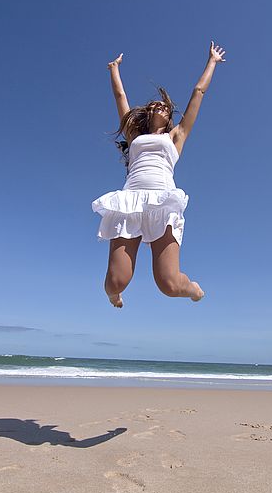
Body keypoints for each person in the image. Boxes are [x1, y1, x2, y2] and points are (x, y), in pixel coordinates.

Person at [92, 40, 226, 308]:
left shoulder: (176, 136)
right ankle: (114, 296)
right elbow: (120, 98)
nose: (160, 108)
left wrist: (211, 62)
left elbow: (198, 92)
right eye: (155, 106)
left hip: (163, 202)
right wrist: (113, 69)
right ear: (148, 112)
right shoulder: (134, 136)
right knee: (115, 281)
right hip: (130, 200)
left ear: (169, 117)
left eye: (165, 107)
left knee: (169, 285)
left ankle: (193, 289)